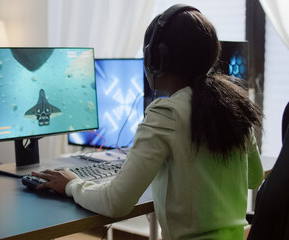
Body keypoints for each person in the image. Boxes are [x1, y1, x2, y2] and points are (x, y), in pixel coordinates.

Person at [33, 4, 264, 240]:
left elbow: (115, 202)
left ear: (157, 59)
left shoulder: (167, 112)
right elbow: (253, 178)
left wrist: (73, 184)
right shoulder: (234, 104)